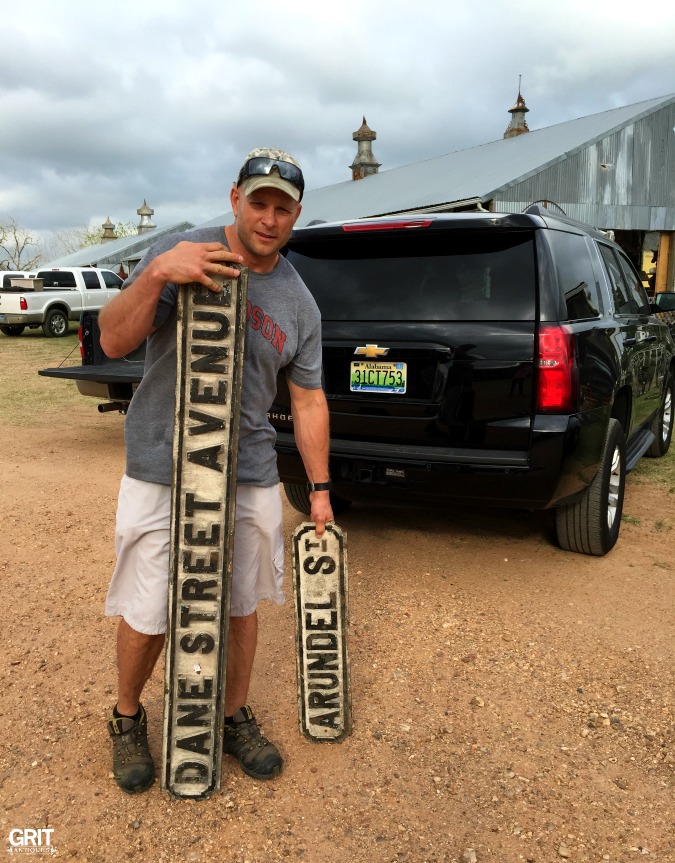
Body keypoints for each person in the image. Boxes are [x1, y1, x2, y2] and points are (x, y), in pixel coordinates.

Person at [99, 147, 334, 794]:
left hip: (250, 472)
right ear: (234, 198)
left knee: (239, 602)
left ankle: (229, 715)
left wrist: (319, 491)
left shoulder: (299, 302)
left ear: (296, 215)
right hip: (160, 463)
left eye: (281, 207)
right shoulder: (183, 254)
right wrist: (156, 276)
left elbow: (308, 399)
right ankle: (126, 716)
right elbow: (114, 339)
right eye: (257, 202)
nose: (267, 217)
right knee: (151, 606)